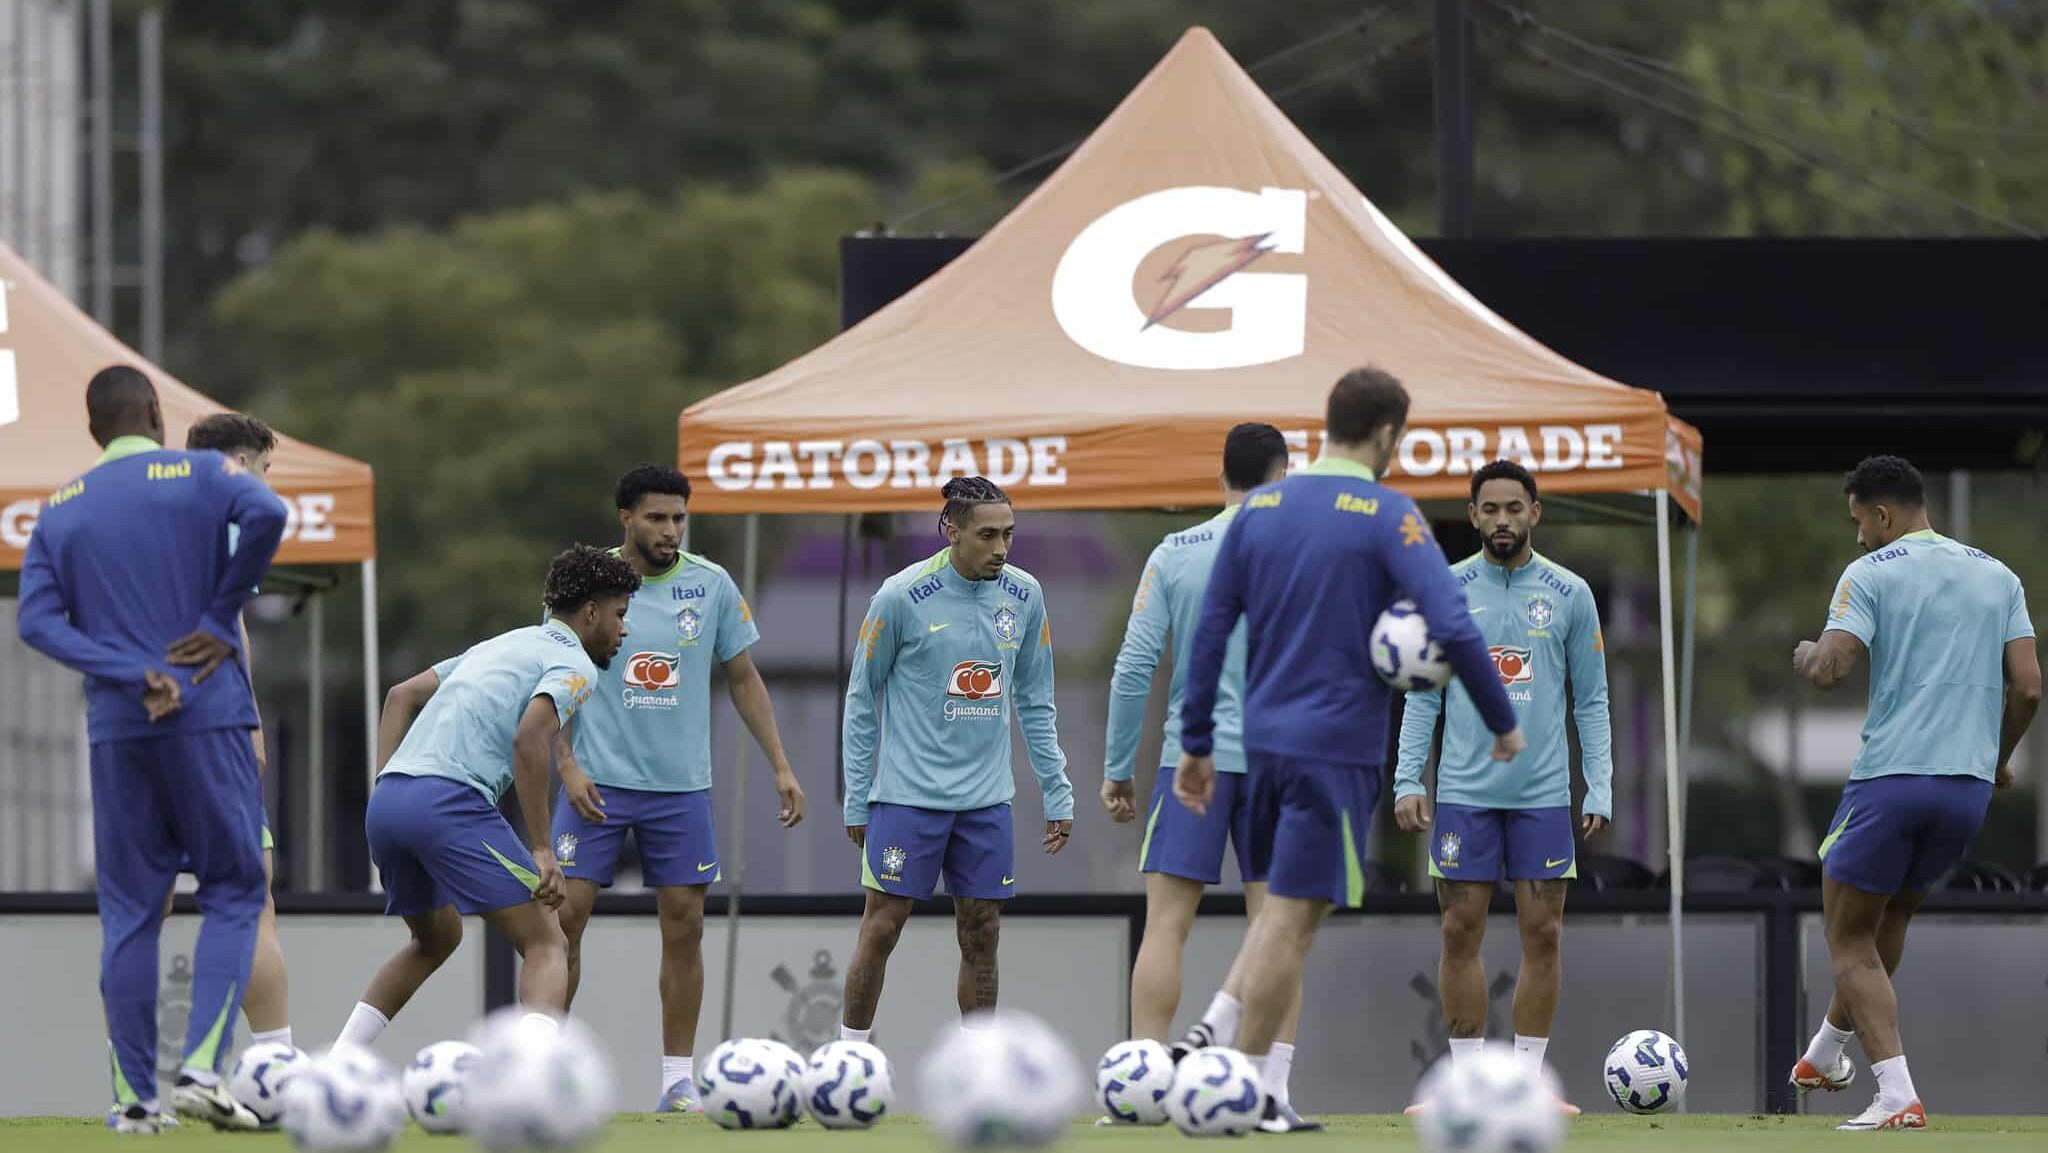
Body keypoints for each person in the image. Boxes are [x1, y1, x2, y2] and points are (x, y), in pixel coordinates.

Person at [1172, 367, 1523, 1133]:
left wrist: (1197, 742)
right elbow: (1454, 625)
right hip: (1334, 750)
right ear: (1389, 432)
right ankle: (1223, 1051)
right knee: (1296, 918)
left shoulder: (1258, 509)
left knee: (1284, 910)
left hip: (1256, 746)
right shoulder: (1387, 515)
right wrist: (1502, 719)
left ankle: (1243, 1072)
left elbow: (1209, 632)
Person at [17, 366, 287, 1133]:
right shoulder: (203, 473)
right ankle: (202, 1065)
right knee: (235, 890)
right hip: (209, 713)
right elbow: (266, 511)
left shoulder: (61, 509)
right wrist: (220, 609)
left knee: (132, 912)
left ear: (94, 427)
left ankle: (134, 1100)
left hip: (119, 727)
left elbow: (37, 622)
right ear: (158, 414)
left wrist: (131, 671)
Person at [1789, 455, 2037, 1131]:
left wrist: (1806, 650)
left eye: (1859, 522)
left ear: (1883, 513)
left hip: (1892, 779)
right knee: (1887, 919)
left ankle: (1896, 1093)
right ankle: (1823, 1052)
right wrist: (1996, 758)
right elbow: (2030, 685)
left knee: (1845, 938)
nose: (1858, 536)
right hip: (1965, 790)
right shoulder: (1998, 574)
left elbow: (1831, 668)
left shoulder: (1869, 572)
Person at [548, 465, 807, 1112]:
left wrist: (780, 762)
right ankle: (544, 1065)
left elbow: (743, 677)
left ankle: (675, 1080)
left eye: (679, 518)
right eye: (657, 517)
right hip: (595, 784)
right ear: (626, 519)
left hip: (679, 787)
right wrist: (566, 763)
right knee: (561, 922)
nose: (670, 529)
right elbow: (546, 679)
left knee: (685, 925)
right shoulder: (585, 579)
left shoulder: (710, 583)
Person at [333, 545, 637, 1051]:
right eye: (621, 615)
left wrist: (387, 788)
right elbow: (530, 740)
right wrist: (543, 850)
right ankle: (531, 1077)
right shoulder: (574, 665)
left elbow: (399, 696)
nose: (624, 630)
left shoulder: (502, 644)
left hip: (388, 805)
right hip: (447, 803)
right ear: (590, 613)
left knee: (436, 938)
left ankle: (338, 1064)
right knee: (548, 941)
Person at [1103, 422, 1319, 1128]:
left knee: (1166, 925)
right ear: (1281, 475)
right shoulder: (1302, 551)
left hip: (1187, 763)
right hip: (1280, 764)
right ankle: (1271, 1093)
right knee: (1276, 926)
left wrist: (1116, 770)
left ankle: (1140, 1088)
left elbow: (1134, 667)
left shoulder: (1176, 551)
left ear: (1218, 475)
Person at [1394, 459, 1612, 1114]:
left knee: (1543, 934)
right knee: (1460, 930)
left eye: (1514, 507)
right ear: (1474, 514)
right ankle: (1463, 1087)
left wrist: (1597, 783)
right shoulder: (1446, 590)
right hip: (1464, 793)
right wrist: (1409, 775)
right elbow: (1422, 697)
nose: (1502, 520)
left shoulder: (1570, 593)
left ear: (1535, 513)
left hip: (1543, 796)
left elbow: (1592, 700)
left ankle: (1526, 1086)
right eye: (1489, 509)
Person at [837, 477, 1074, 1040]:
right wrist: (856, 794)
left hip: (986, 804)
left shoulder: (1025, 595)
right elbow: (860, 696)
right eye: (987, 535)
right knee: (882, 928)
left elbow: (1036, 699)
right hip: (906, 798)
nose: (1000, 548)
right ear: (951, 532)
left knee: (981, 932)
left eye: (1008, 535)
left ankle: (981, 1062)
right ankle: (849, 1056)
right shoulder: (899, 596)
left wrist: (1057, 788)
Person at [160, 413, 294, 1060]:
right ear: (238, 464)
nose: (270, 486)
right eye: (266, 469)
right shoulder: (233, 516)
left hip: (137, 725)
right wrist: (254, 723)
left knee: (140, 910)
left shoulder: (145, 512)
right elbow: (230, 630)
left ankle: (126, 1081)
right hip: (215, 727)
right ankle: (272, 1058)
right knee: (250, 896)